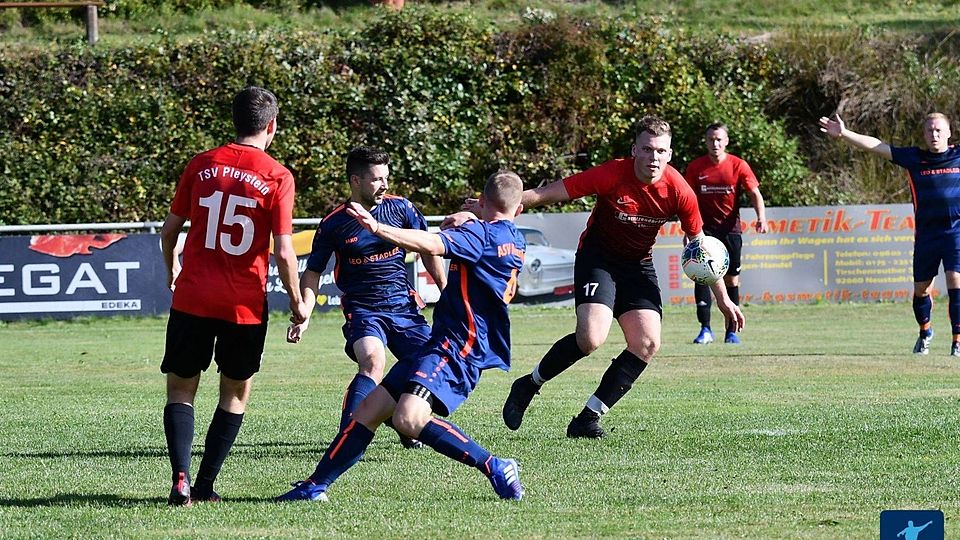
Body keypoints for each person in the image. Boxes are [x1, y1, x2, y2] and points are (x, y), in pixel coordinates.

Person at [275, 170, 528, 502]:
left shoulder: (480, 237)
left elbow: (431, 243)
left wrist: (378, 228)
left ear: (482, 201)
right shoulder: (513, 238)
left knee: (408, 419)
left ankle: (496, 466)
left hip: (458, 347)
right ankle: (315, 487)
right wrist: (469, 215)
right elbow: (480, 225)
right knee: (368, 411)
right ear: (519, 209)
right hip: (449, 340)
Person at [496, 115, 745, 439]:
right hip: (598, 259)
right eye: (647, 149)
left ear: (669, 155)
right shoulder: (612, 173)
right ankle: (529, 384)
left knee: (647, 342)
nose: (654, 157)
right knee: (591, 339)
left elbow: (703, 253)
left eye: (661, 151)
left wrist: (724, 301)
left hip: (638, 266)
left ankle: (587, 418)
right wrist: (495, 208)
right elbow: (546, 194)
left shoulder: (679, 190)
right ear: (635, 151)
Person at [159, 86, 308, 506]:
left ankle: (181, 479)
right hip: (243, 304)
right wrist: (297, 303)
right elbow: (283, 250)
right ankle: (206, 486)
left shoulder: (202, 164)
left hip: (192, 297)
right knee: (235, 392)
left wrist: (171, 266)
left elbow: (170, 230)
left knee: (181, 389)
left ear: (235, 120)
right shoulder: (277, 175)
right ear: (272, 126)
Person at [287, 145, 447, 448]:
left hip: (404, 306)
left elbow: (429, 247)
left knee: (424, 366)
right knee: (373, 361)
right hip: (363, 310)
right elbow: (312, 272)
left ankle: (403, 424)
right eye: (376, 179)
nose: (384, 185)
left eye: (386, 178)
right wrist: (304, 312)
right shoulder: (335, 223)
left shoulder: (402, 208)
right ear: (355, 181)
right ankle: (346, 438)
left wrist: (446, 291)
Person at [819, 112, 960, 356]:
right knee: (921, 289)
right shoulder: (915, 158)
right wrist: (844, 133)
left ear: (949, 133)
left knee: (955, 282)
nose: (934, 135)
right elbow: (877, 146)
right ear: (924, 134)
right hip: (927, 235)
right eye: (930, 131)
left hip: (956, 232)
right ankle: (925, 331)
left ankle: (957, 341)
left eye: (939, 130)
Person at [684, 122, 768, 345]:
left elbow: (754, 193)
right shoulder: (696, 168)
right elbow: (687, 200)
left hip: (730, 231)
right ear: (706, 141)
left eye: (719, 139)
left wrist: (761, 218)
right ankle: (705, 330)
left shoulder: (738, 165)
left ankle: (731, 331)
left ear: (726, 141)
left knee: (731, 280)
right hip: (703, 231)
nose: (715, 143)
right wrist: (688, 229)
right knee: (702, 276)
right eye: (711, 139)